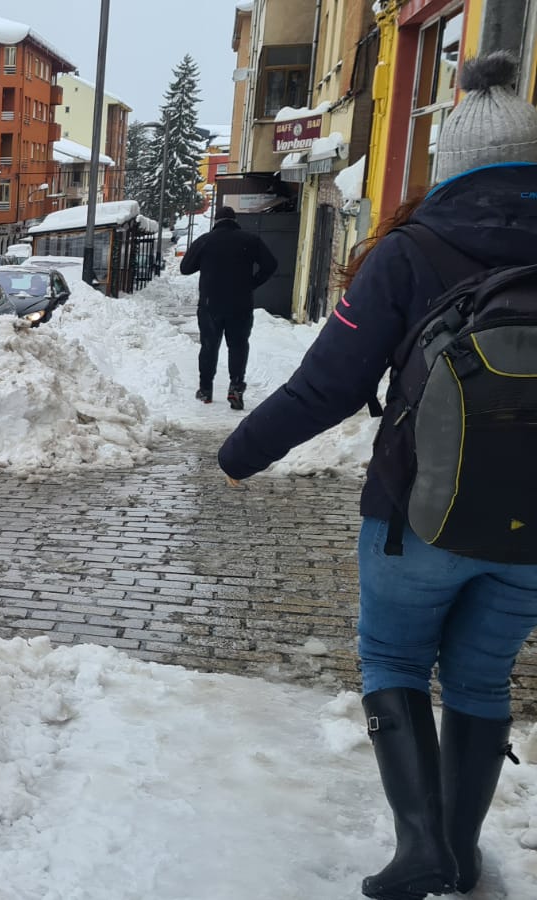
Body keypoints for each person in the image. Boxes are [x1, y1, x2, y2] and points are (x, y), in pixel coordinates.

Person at [217, 52, 537, 900]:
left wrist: (242, 451)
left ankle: (422, 847)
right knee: (479, 678)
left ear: (453, 161)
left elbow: (331, 384)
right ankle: (462, 856)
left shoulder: (413, 249)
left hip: (413, 513)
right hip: (533, 533)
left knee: (394, 655)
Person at [178, 205, 280, 410]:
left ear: (216, 221)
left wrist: (207, 261)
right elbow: (271, 264)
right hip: (240, 304)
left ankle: (205, 389)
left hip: (210, 304)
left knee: (209, 346)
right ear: (235, 221)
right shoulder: (250, 240)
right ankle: (235, 387)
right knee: (238, 346)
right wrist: (252, 283)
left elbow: (185, 268)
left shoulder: (206, 241)